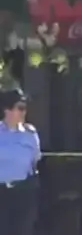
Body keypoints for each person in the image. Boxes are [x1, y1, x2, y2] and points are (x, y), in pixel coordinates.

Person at [0, 89, 41, 235]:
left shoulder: (30, 134)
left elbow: (35, 159)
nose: (24, 112)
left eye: (25, 108)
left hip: (23, 192)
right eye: (20, 108)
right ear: (7, 110)